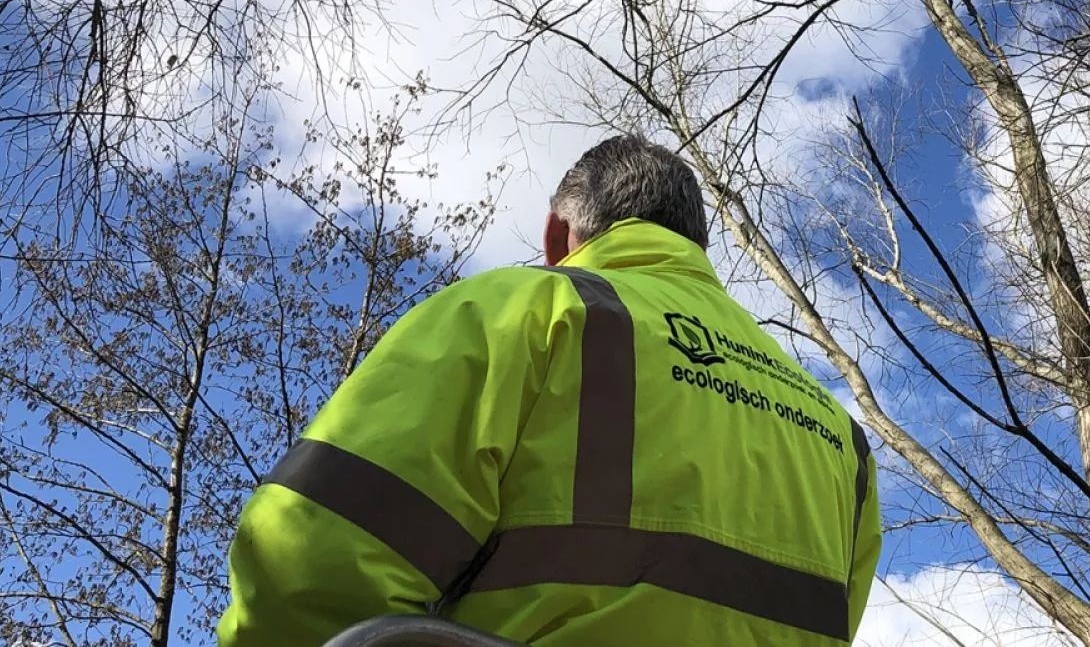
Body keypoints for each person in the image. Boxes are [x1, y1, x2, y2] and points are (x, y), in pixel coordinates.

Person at [216, 135, 880, 646]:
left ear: (557, 233)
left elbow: (307, 557)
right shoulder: (840, 436)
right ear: (696, 244)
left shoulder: (519, 312)